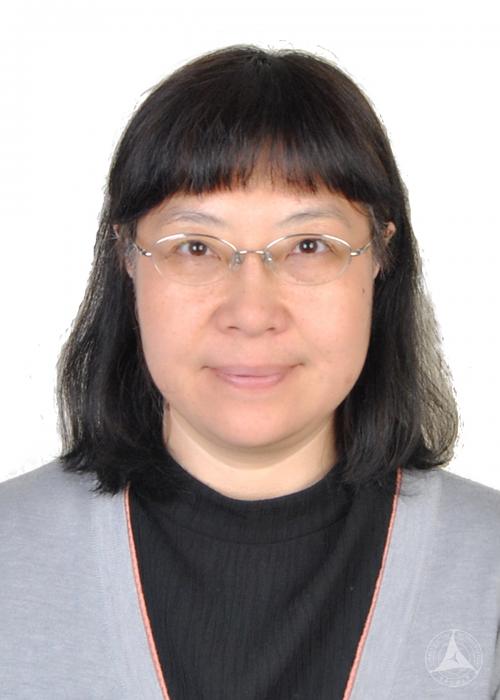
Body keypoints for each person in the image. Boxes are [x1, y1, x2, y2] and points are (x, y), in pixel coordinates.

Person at [0, 44, 499, 700]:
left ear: (382, 255)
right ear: (126, 257)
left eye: (309, 246)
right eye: (196, 247)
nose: (252, 312)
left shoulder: (487, 566)